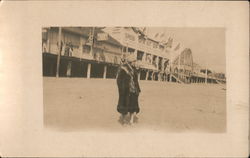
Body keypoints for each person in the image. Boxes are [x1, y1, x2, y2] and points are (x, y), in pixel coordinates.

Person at [116, 54, 141, 125]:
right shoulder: (123, 69)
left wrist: (137, 89)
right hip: (125, 90)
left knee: (133, 106)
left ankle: (131, 121)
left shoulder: (133, 69)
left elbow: (136, 80)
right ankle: (123, 121)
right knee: (124, 105)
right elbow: (119, 80)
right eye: (134, 61)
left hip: (133, 90)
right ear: (130, 62)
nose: (135, 63)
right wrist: (122, 88)